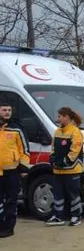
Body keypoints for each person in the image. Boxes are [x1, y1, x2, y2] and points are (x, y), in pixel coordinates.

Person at [46, 107, 84, 226]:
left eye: (59, 116)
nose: (58, 119)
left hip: (72, 170)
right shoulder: (57, 131)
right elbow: (53, 148)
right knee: (57, 194)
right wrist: (52, 159)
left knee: (73, 195)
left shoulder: (75, 132)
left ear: (66, 117)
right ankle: (58, 217)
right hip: (58, 170)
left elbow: (75, 150)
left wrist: (64, 161)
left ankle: (76, 216)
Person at [0, 102, 29, 237]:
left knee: (11, 200)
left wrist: (23, 168)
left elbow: (25, 150)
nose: (7, 112)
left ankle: (9, 227)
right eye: (4, 110)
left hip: (11, 171)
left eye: (9, 110)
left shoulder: (17, 129)